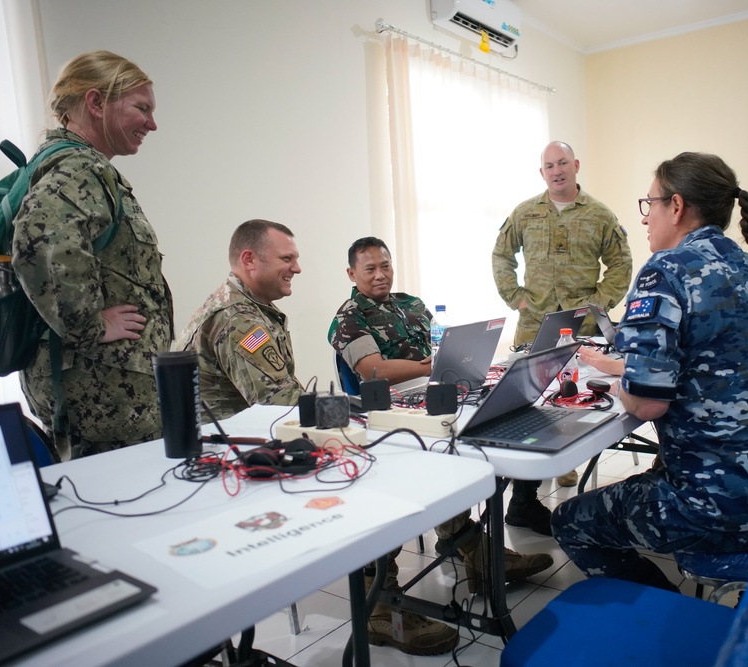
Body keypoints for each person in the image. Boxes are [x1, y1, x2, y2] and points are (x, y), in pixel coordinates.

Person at [551, 152, 748, 591]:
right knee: (644, 485)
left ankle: (671, 615)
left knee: (571, 520)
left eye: (650, 205)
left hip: (730, 500)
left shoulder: (666, 271)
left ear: (677, 206)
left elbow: (646, 402)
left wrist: (630, 379)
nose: (645, 218)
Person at [329, 237, 553, 655]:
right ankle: (378, 601)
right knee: (406, 488)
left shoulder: (411, 304)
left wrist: (452, 361)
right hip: (382, 420)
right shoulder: (348, 318)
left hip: (431, 404)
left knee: (464, 459)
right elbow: (372, 370)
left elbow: (439, 346)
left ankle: (473, 549)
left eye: (385, 266)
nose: (380, 275)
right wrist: (432, 366)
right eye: (369, 269)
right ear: (351, 274)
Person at [11, 50, 173, 460]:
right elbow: (40, 241)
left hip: (104, 393)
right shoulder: (80, 168)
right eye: (142, 108)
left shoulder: (73, 166)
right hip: (103, 394)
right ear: (96, 103)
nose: (152, 124)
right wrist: (89, 325)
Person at [492, 141, 633, 494]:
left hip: (582, 324)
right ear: (542, 172)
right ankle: (529, 472)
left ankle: (568, 460)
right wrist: (516, 298)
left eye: (563, 163)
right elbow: (501, 256)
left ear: (576, 166)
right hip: (533, 323)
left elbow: (621, 263)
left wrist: (598, 305)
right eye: (550, 165)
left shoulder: (599, 214)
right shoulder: (525, 213)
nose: (557, 170)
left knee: (576, 394)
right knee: (532, 396)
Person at [176, 220, 303, 421]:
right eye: (286, 258)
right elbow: (280, 403)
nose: (297, 269)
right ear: (249, 260)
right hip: (227, 444)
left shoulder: (246, 305)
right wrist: (344, 409)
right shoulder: (238, 319)